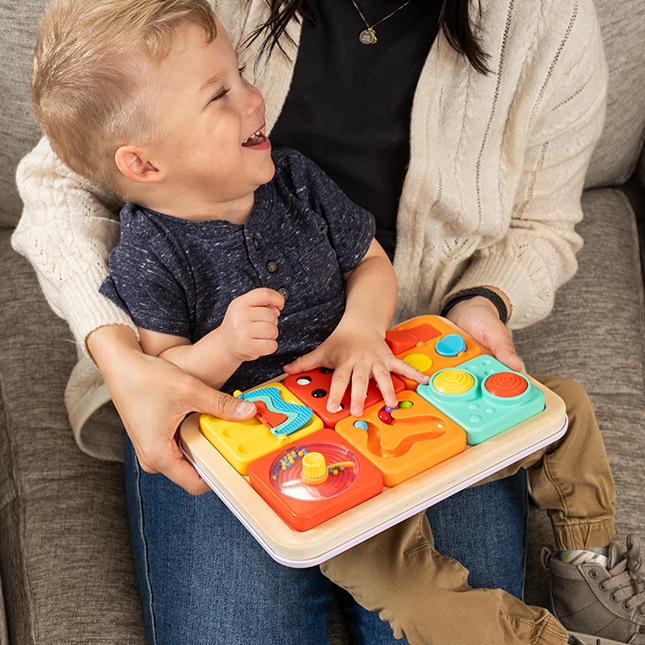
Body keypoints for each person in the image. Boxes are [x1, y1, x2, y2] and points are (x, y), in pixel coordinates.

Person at [15, 0, 639, 643]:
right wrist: (192, 353)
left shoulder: (294, 178)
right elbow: (167, 368)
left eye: (241, 76)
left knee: (559, 408)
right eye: (222, 93)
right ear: (142, 165)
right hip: (257, 431)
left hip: (386, 362)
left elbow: (392, 256)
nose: (253, 99)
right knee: (399, 588)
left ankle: (583, 556)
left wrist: (411, 319)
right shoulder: (149, 249)